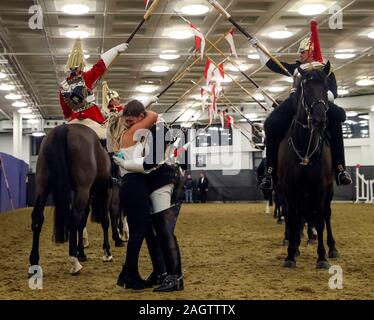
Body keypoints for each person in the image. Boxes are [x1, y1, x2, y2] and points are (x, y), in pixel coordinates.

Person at [250, 20, 352, 190]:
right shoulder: (297, 68)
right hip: (295, 102)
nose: (300, 55)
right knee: (271, 125)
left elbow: (333, 90)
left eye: (302, 52)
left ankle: (340, 169)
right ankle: (270, 171)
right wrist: (257, 48)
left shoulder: (325, 68)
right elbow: (274, 65)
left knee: (338, 120)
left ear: (311, 52)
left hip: (320, 103)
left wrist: (326, 97)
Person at [114, 117, 185, 292]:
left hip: (163, 182)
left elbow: (148, 164)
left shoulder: (159, 130)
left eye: (132, 121)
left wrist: (125, 164)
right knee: (152, 232)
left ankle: (175, 276)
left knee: (164, 231)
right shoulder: (144, 135)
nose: (131, 125)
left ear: (142, 117)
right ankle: (161, 272)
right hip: (153, 184)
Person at [114, 100, 161, 290]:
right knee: (138, 232)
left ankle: (128, 273)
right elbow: (154, 116)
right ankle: (129, 275)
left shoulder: (125, 133)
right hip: (135, 184)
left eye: (131, 120)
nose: (130, 123)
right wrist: (143, 111)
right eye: (130, 120)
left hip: (127, 185)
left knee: (139, 231)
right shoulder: (134, 131)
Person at [59, 38, 128, 143]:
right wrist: (115, 50)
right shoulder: (86, 77)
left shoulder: (63, 86)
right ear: (82, 65)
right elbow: (100, 66)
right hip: (91, 116)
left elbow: (67, 113)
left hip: (73, 120)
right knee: (108, 141)